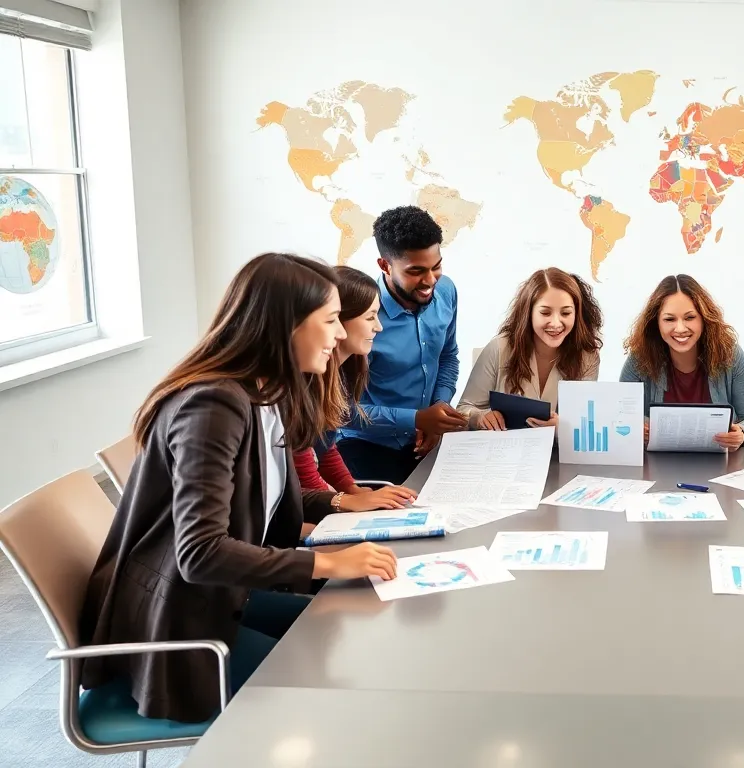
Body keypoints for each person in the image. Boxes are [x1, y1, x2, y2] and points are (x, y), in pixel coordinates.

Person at [79, 253, 399, 724]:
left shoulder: (268, 394)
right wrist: (328, 561)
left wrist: (353, 516)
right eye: (330, 320)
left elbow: (266, 500)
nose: (338, 333)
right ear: (286, 325)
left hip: (227, 595)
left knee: (363, 633)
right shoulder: (213, 405)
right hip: (181, 626)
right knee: (341, 688)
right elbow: (201, 552)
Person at [337, 206, 466, 484]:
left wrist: (439, 409)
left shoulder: (447, 291)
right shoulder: (360, 316)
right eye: (416, 271)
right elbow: (342, 410)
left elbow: (448, 356)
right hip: (365, 446)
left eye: (436, 266)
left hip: (425, 441)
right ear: (385, 265)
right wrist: (418, 419)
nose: (430, 280)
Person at [294, 266, 417, 510]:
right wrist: (346, 502)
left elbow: (325, 446)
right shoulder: (303, 384)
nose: (379, 327)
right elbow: (303, 469)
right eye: (370, 317)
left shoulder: (339, 375)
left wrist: (352, 489)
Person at [620, 274, 744, 451]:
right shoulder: (640, 358)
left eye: (689, 318)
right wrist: (639, 427)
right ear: (656, 323)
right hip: (657, 465)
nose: (680, 328)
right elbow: (623, 414)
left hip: (720, 464)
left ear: (704, 318)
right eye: (669, 319)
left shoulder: (730, 354)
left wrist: (741, 432)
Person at [458, 267, 603, 430]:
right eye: (545, 313)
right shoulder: (499, 348)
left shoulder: (587, 357)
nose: (556, 323)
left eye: (566, 313)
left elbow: (584, 423)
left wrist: (562, 427)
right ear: (529, 313)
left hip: (556, 453)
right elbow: (463, 409)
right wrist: (479, 417)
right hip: (502, 450)